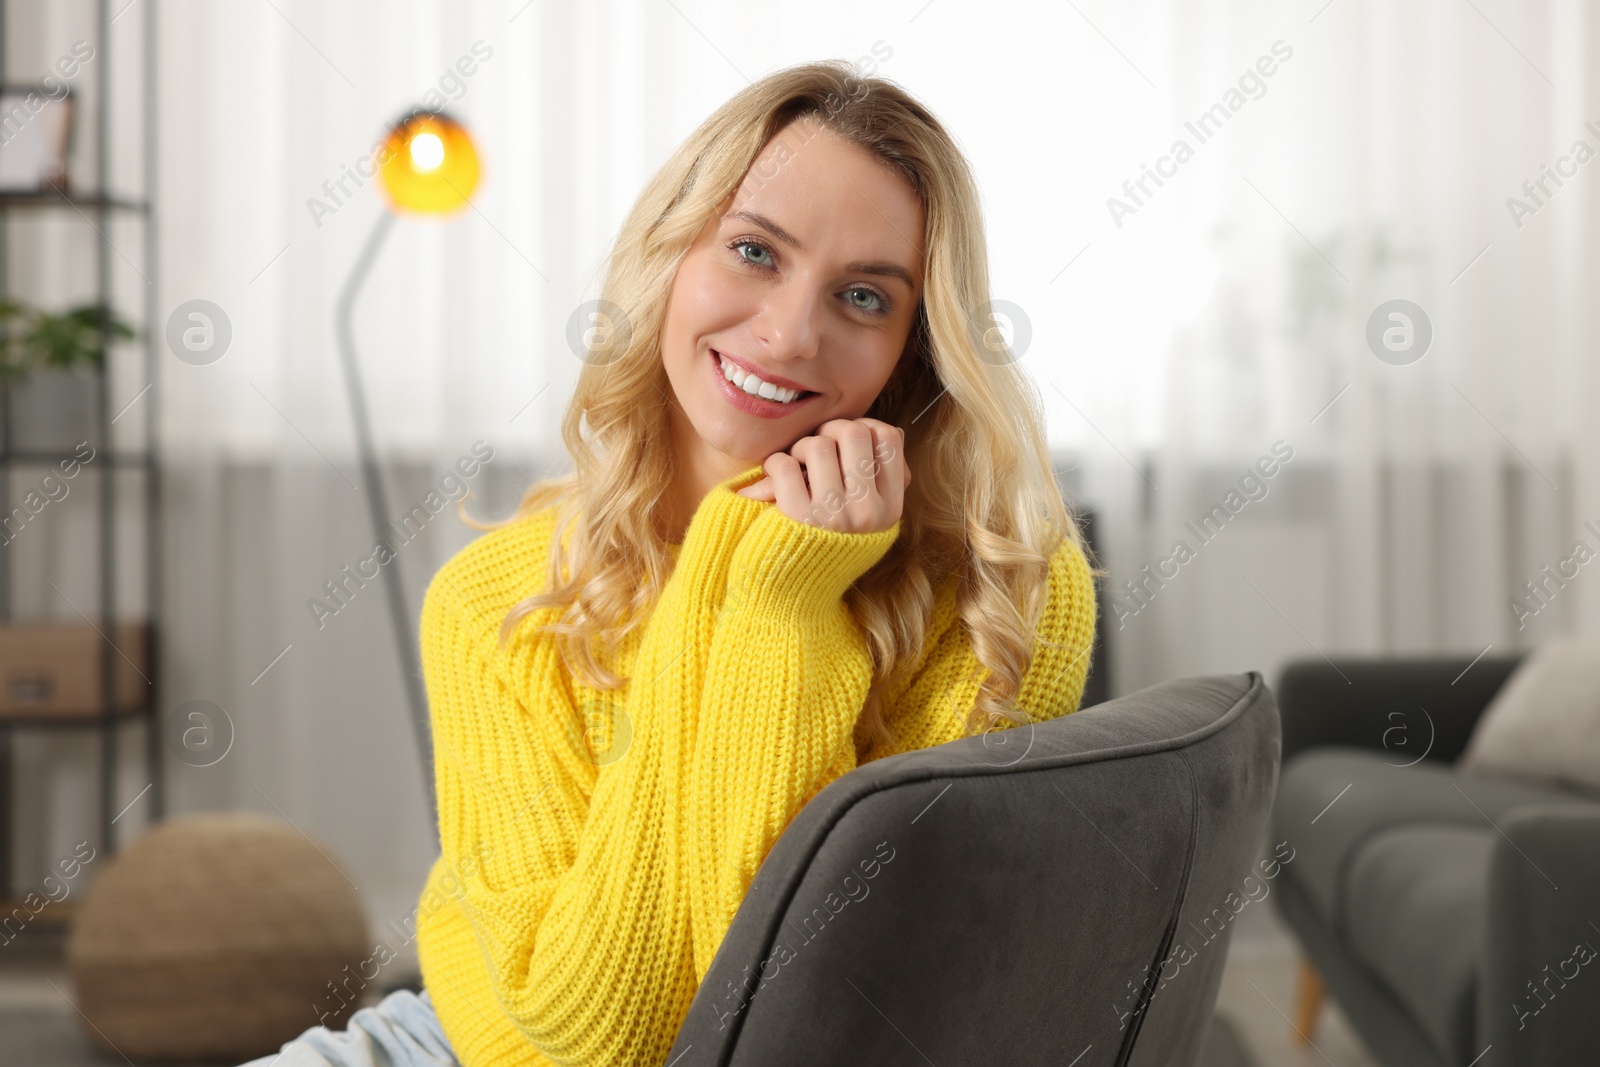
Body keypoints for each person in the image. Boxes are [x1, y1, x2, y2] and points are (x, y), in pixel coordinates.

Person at [244, 57, 1100, 1067]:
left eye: (865, 297)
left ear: (911, 349)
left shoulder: (1003, 586)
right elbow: (575, 1041)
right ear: (668, 255)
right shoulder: (497, 599)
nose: (788, 334)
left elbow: (805, 1000)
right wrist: (723, 583)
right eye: (752, 250)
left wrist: (779, 602)